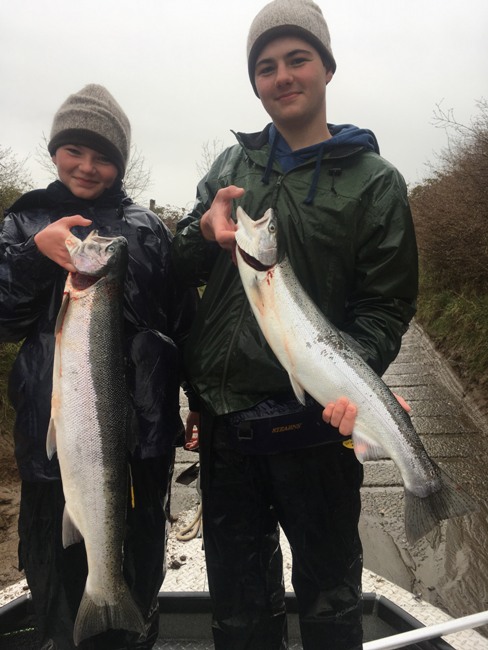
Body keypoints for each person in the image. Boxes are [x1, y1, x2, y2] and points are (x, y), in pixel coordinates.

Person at [171, 1, 418, 648]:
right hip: (226, 436)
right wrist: (201, 230)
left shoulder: (376, 184)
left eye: (297, 59)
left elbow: (386, 308)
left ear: (326, 67)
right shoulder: (232, 168)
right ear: (255, 81)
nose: (282, 76)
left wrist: (352, 380)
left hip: (316, 437)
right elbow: (177, 263)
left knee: (331, 608)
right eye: (265, 66)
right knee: (240, 619)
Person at [0, 84, 198, 650]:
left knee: (136, 582)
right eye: (75, 151)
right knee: (58, 600)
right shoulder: (24, 224)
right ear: (54, 151)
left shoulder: (148, 229)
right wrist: (33, 254)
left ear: (122, 162)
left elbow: (186, 324)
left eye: (103, 155)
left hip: (144, 447)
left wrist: (199, 405)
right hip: (52, 453)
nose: (87, 166)